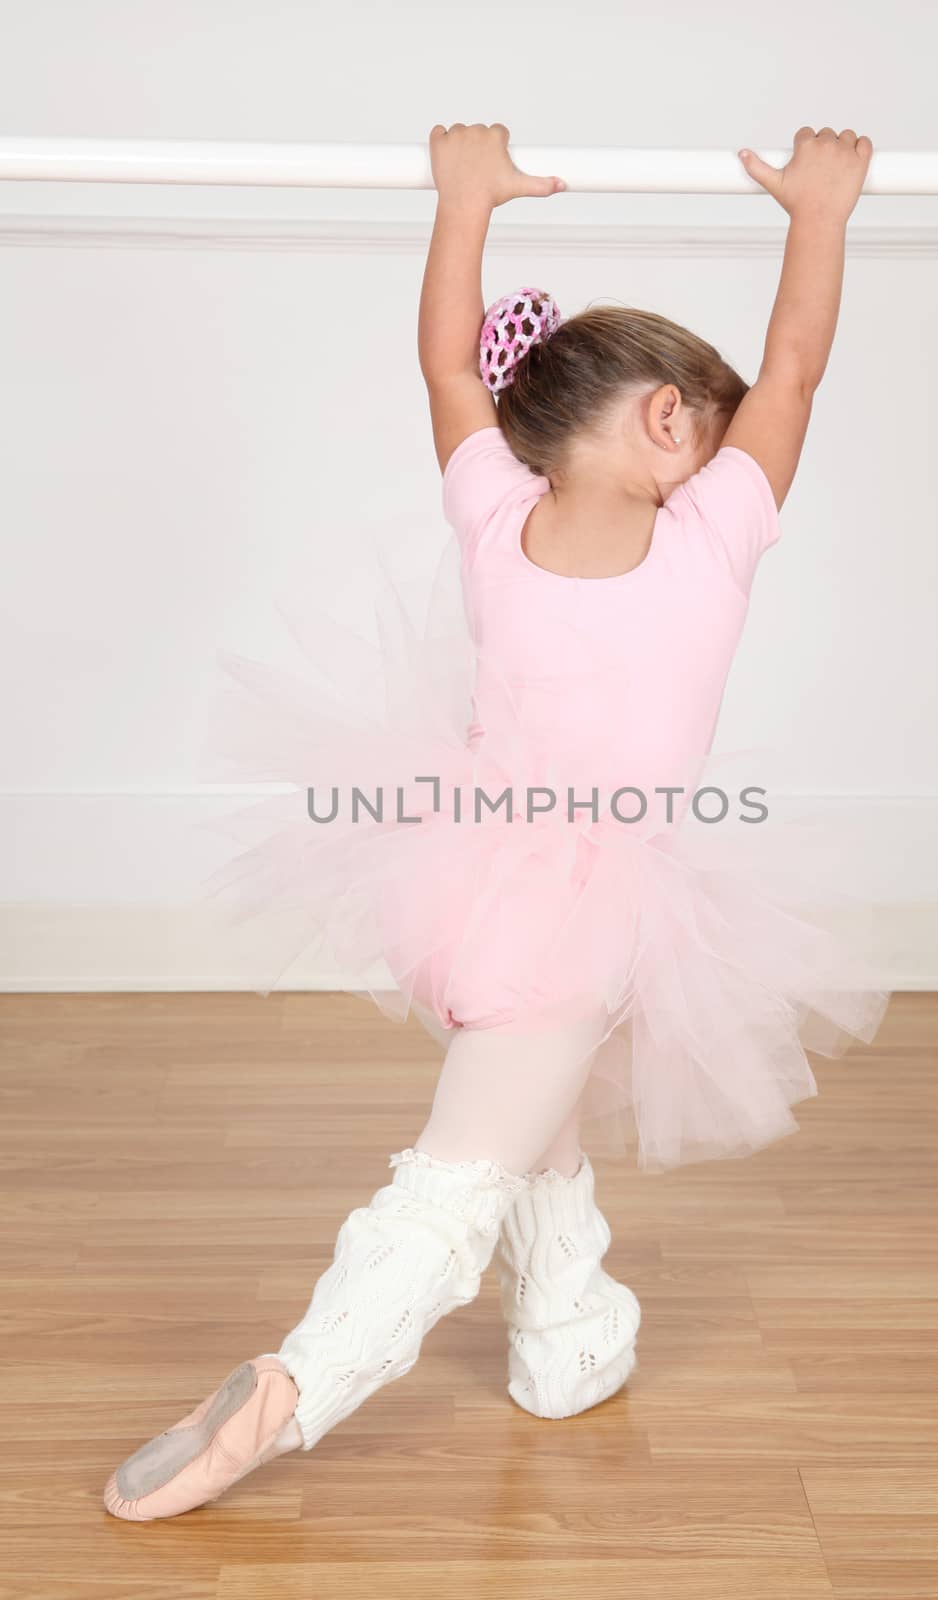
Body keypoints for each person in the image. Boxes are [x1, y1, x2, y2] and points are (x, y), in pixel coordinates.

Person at [104, 122, 887, 1521]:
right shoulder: (709, 533)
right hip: (597, 906)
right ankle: (297, 1386)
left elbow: (447, 368)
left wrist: (463, 200)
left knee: (531, 1115)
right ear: (671, 425)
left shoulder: (490, 512)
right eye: (713, 436)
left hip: (463, 871)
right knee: (462, 1170)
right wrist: (819, 214)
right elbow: (799, 368)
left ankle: (570, 1333)